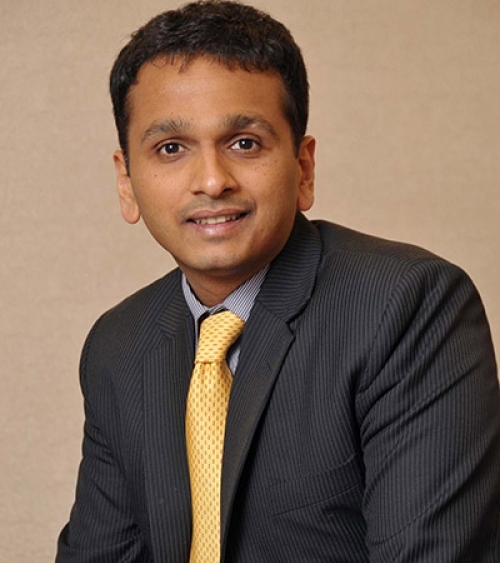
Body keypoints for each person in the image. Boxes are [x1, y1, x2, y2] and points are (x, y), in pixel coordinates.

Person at [56, 1, 500, 561]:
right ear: (127, 183)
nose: (212, 180)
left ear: (303, 167)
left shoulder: (407, 305)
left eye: (244, 142)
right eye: (171, 148)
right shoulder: (118, 345)